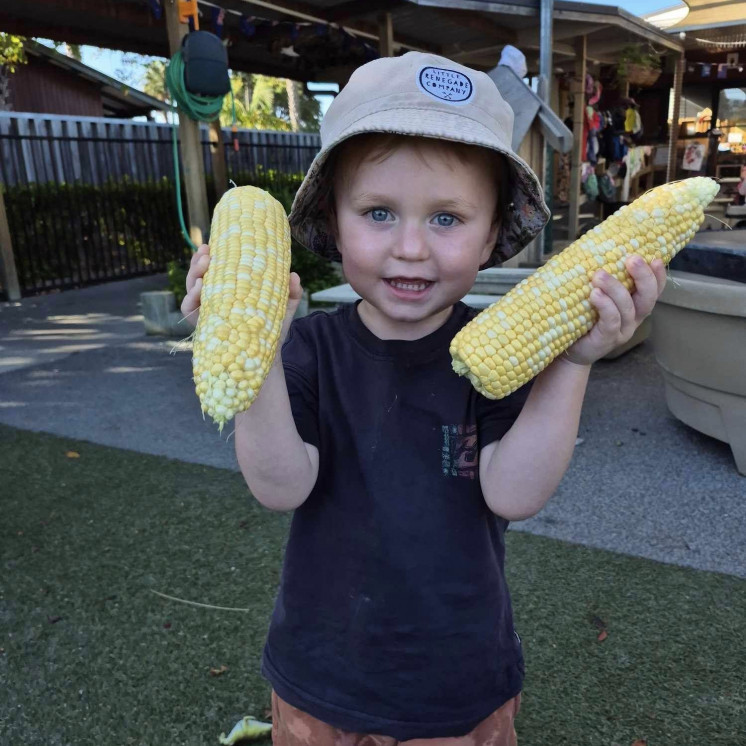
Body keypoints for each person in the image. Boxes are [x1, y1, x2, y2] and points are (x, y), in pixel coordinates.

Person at [181, 52, 667, 745]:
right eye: (378, 212)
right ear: (334, 221)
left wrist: (575, 360)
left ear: (494, 231)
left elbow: (514, 493)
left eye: (447, 219)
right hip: (321, 676)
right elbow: (280, 486)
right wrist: (250, 349)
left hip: (457, 685)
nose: (411, 247)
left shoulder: (498, 351)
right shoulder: (311, 347)